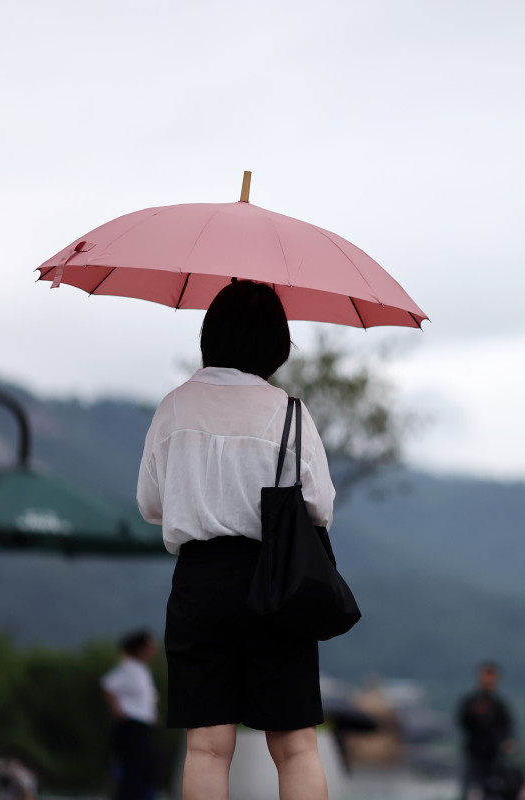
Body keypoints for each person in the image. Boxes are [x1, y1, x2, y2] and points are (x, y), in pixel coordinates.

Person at [137, 280, 337, 800]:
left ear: (211, 335)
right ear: (275, 344)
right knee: (295, 746)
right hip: (276, 581)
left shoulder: (174, 408)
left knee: (206, 747)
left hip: (199, 583)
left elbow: (150, 504)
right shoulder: (289, 412)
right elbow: (320, 508)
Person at [101, 629, 158, 800]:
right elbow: (108, 684)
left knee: (140, 769)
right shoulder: (130, 668)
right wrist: (117, 708)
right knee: (132, 769)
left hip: (140, 726)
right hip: (131, 726)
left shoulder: (141, 669)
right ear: (141, 648)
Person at [457, 661, 516, 800]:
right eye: (485, 675)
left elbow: (507, 727)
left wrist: (507, 742)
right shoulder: (470, 701)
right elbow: (462, 722)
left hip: (494, 755)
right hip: (472, 752)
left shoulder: (499, 704)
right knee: (467, 788)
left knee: (491, 789)